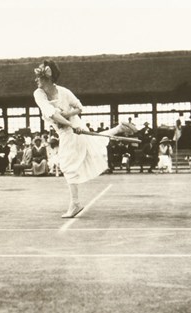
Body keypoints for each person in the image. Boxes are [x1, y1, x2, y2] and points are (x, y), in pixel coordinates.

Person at [33, 60, 136, 218]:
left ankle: (75, 204)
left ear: (47, 78)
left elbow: (80, 107)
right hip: (69, 129)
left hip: (74, 128)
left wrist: (70, 118)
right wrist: (68, 122)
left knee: (67, 165)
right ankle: (119, 128)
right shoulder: (38, 94)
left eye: (39, 77)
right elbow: (51, 113)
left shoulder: (64, 92)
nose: (36, 80)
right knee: (92, 144)